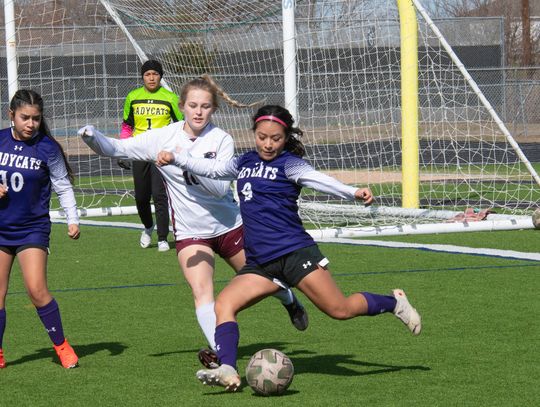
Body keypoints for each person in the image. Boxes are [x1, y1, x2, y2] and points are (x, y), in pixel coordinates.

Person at [156, 104, 422, 392]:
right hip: (260, 262)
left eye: (276, 138)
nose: (268, 144)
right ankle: (229, 369)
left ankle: (395, 303)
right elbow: (211, 168)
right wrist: (177, 158)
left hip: (295, 254)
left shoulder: (290, 164)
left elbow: (320, 181)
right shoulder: (243, 162)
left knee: (340, 310)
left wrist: (352, 192)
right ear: (254, 134)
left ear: (285, 138)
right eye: (262, 137)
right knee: (224, 305)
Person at [78, 77, 308, 368]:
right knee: (202, 294)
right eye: (193, 105)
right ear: (182, 106)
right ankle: (224, 358)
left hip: (229, 227)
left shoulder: (221, 140)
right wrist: (91, 136)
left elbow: (219, 189)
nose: (198, 112)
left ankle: (287, 298)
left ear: (213, 110)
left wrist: (181, 159)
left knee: (267, 283)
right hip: (190, 233)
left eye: (205, 106)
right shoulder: (162, 136)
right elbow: (116, 148)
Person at [0, 89, 81, 369]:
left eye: (36, 118)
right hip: (0, 229)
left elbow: (63, 185)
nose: (30, 124)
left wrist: (73, 218)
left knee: (36, 290)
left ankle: (61, 346)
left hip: (32, 229)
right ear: (11, 115)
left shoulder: (48, 147)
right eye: (24, 118)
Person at [121, 59, 183, 252]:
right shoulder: (133, 96)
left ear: (160, 76)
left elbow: (181, 125)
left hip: (161, 154)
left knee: (159, 195)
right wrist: (123, 149)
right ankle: (148, 227)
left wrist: (178, 150)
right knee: (141, 197)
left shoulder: (170, 97)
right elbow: (127, 126)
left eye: (155, 74)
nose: (151, 77)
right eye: (147, 74)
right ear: (142, 77)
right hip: (140, 152)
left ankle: (163, 237)